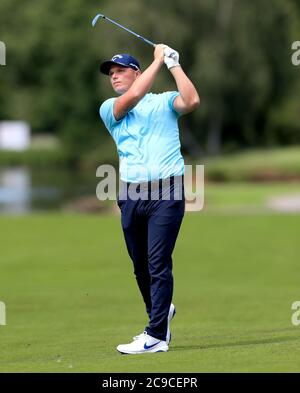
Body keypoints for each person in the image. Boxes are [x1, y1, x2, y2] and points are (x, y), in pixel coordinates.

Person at [99, 44, 200, 354]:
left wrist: (173, 65)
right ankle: (161, 311)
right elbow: (132, 98)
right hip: (131, 193)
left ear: (136, 72)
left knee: (158, 263)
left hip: (167, 191)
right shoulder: (110, 107)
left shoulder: (164, 102)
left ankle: (155, 335)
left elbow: (192, 100)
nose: (114, 77)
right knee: (139, 266)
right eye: (111, 73)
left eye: (120, 71)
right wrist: (158, 60)